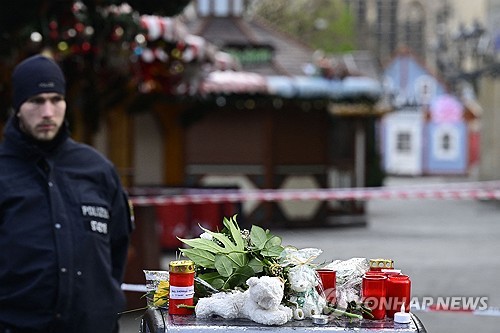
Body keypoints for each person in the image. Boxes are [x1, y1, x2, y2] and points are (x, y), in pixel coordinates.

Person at [0, 54, 134, 332]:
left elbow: (117, 247)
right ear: (17, 107)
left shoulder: (97, 169)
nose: (48, 112)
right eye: (36, 101)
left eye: (55, 99)